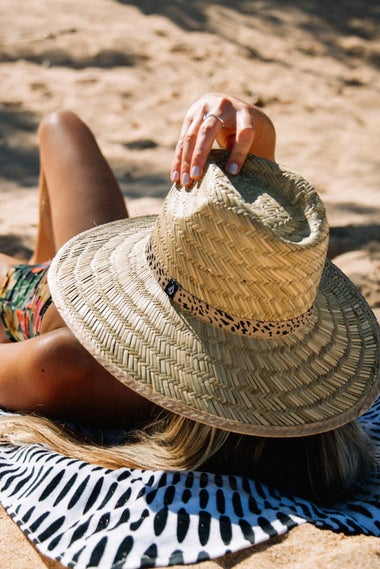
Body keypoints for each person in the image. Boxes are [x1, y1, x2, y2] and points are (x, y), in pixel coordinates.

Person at [0, 93, 378, 505]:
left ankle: (40, 267)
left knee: (60, 124)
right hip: (122, 302)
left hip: (37, 306)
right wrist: (258, 133)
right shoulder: (302, 432)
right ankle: (44, 261)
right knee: (62, 126)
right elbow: (248, 254)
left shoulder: (69, 363)